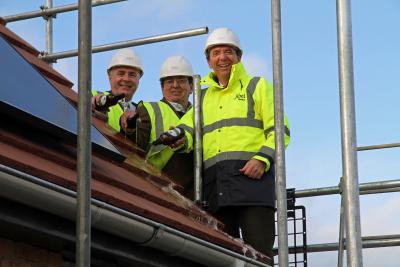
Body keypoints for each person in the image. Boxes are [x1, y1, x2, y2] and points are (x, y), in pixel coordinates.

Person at [172, 28, 291, 257]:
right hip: (215, 189)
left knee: (258, 256)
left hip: (252, 184)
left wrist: (262, 159)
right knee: (222, 256)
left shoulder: (257, 87)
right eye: (216, 53)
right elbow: (187, 129)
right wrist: (178, 138)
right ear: (209, 62)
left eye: (228, 52)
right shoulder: (203, 96)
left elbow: (280, 129)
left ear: (238, 57)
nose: (222, 57)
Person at [120, 56, 195, 199]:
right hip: (159, 189)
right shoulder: (148, 109)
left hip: (196, 193)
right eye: (169, 81)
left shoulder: (201, 114)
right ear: (162, 87)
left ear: (191, 86)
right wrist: (130, 128)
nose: (175, 85)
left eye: (180, 80)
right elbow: (134, 147)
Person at [92, 48, 143, 132]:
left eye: (132, 75)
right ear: (109, 76)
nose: (126, 79)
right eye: (121, 73)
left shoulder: (143, 112)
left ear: (139, 79)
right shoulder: (92, 96)